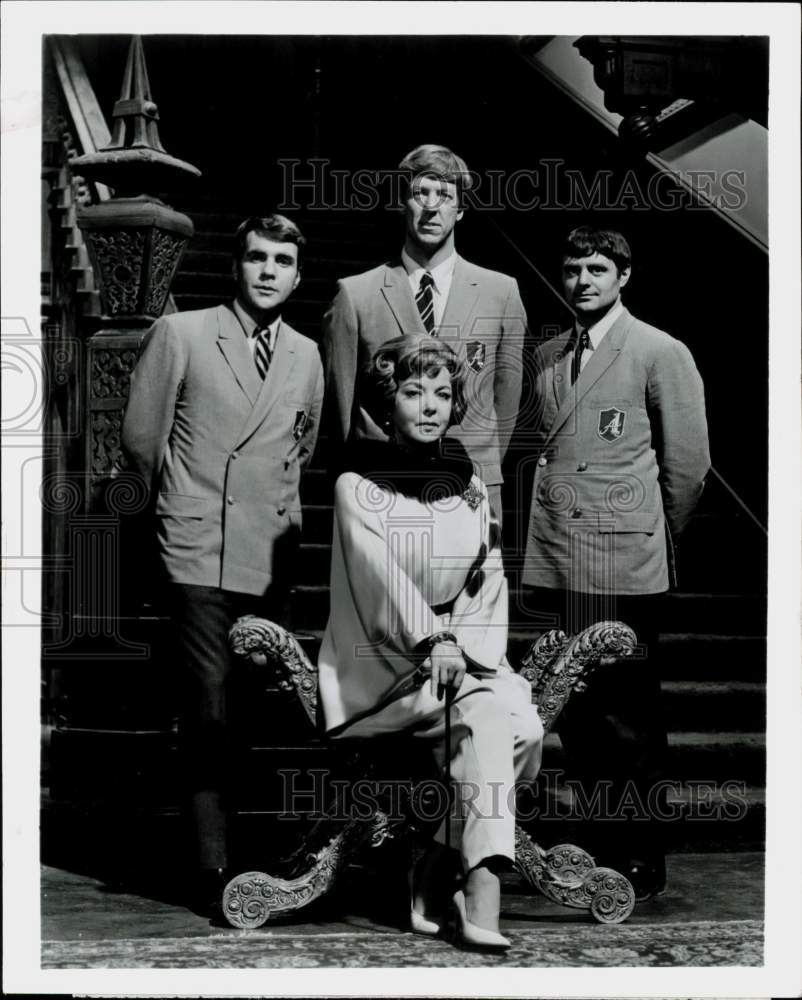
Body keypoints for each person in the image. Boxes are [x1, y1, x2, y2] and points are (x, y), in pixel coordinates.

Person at [121, 214, 324, 917]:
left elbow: (303, 448)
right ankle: (211, 865)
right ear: (237, 266)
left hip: (269, 556)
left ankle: (261, 854)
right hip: (198, 546)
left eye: (283, 261)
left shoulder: (305, 353)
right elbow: (142, 440)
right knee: (208, 706)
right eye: (257, 258)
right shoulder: (181, 334)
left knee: (265, 707)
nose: (268, 271)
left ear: (298, 276)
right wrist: (181, 507)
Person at [317, 334, 543, 951]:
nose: (430, 406)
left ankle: (435, 861)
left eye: (443, 393)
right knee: (494, 717)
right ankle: (482, 887)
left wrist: (467, 647)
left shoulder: (465, 477)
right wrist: (433, 640)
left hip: (459, 653)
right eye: (414, 392)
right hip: (385, 657)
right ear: (387, 402)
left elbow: (484, 573)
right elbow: (379, 583)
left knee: (528, 730)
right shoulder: (356, 484)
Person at [522, 226, 710, 901]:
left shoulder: (660, 350)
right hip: (560, 557)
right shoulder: (547, 356)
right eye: (572, 269)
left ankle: (641, 853)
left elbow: (689, 469)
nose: (583, 281)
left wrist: (655, 539)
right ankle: (601, 841)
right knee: (577, 713)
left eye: (598, 268)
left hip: (625, 559)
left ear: (624, 276)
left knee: (629, 716)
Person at [322, 143, 527, 523]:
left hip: (472, 487)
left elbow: (507, 402)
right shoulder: (356, 294)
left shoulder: (501, 292)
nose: (432, 206)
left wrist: (480, 463)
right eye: (421, 193)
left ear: (461, 209)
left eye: (445, 195)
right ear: (404, 203)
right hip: (381, 487)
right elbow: (340, 412)